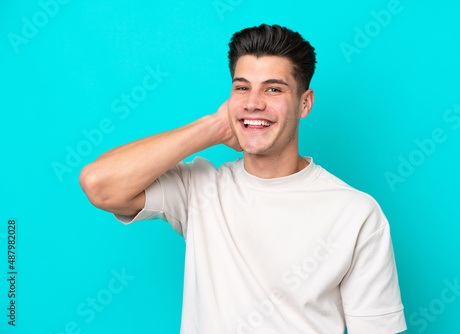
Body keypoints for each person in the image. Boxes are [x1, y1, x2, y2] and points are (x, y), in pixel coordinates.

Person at [79, 24, 407, 334]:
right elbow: (99, 183)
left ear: (305, 103)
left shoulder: (356, 213)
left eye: (273, 89)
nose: (253, 103)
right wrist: (213, 128)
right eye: (242, 88)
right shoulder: (199, 188)